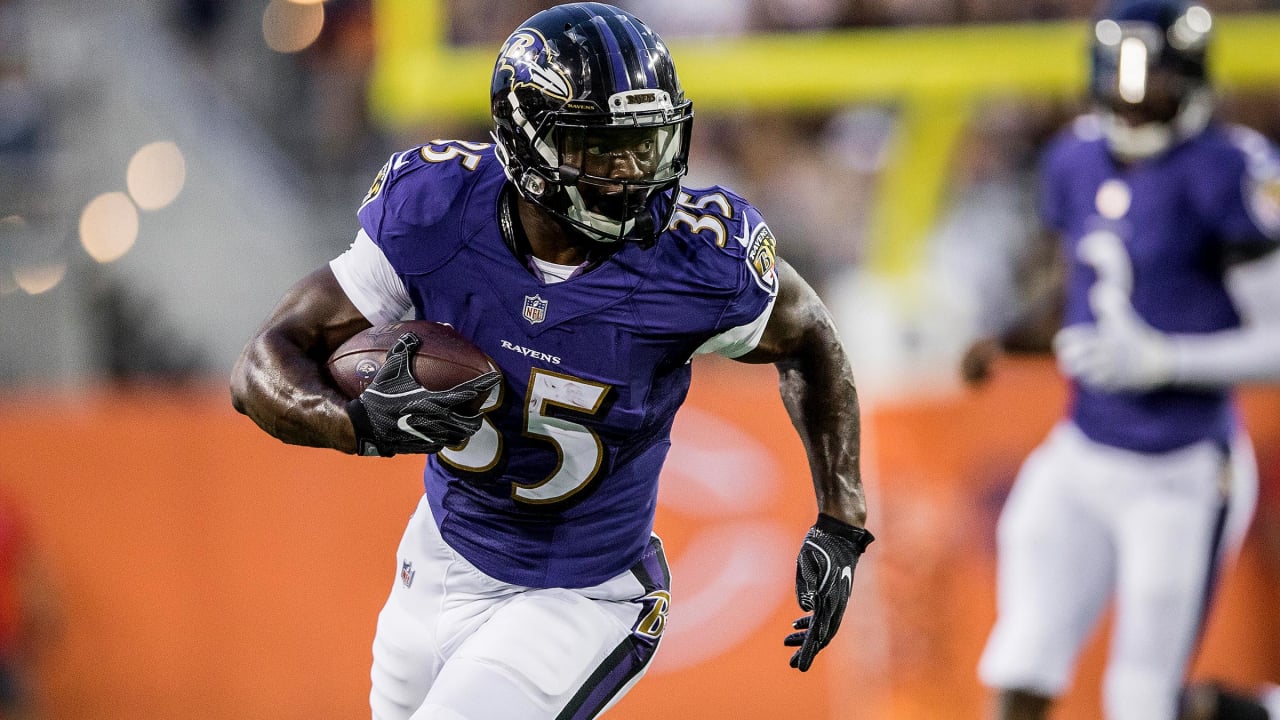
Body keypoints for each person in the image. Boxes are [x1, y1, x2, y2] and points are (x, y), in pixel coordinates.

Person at [229, 4, 874, 719]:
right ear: (525, 147)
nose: (633, 173)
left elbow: (810, 335)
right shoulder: (437, 212)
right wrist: (355, 421)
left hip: (584, 594)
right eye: (601, 150)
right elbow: (265, 360)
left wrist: (841, 519)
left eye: (647, 145)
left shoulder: (698, 260)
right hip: (440, 559)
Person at [959, 1, 1280, 719]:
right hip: (1081, 452)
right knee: (1021, 659)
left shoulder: (1231, 172)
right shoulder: (1073, 156)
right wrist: (1007, 338)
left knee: (1142, 699)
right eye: (1121, 76)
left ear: (1191, 78)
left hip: (1183, 469)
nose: (1132, 97)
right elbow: (1081, 288)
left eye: (1151, 79)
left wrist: (1165, 360)